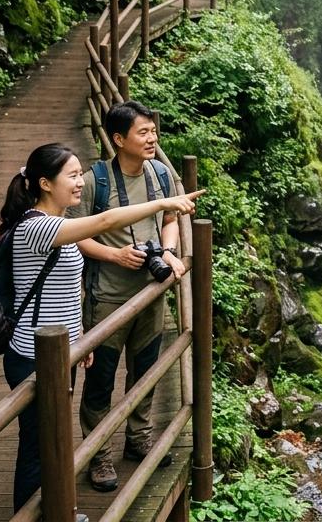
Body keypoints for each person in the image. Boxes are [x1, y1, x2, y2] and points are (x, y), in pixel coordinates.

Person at [0, 142, 201, 517]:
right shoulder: (37, 227)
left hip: (60, 349)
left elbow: (66, 288)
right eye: (72, 176)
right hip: (32, 354)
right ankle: (35, 513)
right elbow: (106, 222)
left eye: (80, 174)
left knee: (52, 439)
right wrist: (161, 204)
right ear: (45, 183)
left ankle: (55, 509)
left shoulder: (56, 225)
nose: (80, 182)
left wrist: (80, 338)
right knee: (38, 444)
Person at [70, 102, 189, 492]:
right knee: (101, 379)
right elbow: (77, 234)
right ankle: (98, 455)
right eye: (143, 133)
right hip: (107, 297)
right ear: (119, 139)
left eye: (153, 131)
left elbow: (169, 220)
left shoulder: (160, 173)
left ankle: (139, 439)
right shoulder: (95, 182)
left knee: (147, 370)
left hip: (151, 293)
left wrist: (168, 252)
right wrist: (116, 254)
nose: (152, 138)